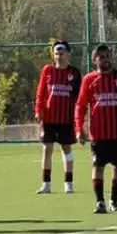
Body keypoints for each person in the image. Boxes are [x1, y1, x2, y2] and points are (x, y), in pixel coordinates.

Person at [75, 44, 117, 215]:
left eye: (107, 56)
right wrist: (79, 129)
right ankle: (100, 202)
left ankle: (114, 201)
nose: (105, 59)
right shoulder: (89, 80)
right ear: (95, 60)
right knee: (98, 166)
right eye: (101, 57)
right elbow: (80, 106)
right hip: (98, 133)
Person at [35, 40, 82, 194]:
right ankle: (46, 184)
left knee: (66, 148)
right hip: (48, 118)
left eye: (61, 54)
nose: (58, 57)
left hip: (66, 119)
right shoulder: (47, 70)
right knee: (47, 149)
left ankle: (69, 183)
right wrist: (38, 111)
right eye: (56, 54)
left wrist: (79, 119)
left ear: (68, 55)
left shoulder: (74, 73)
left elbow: (79, 98)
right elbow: (41, 93)